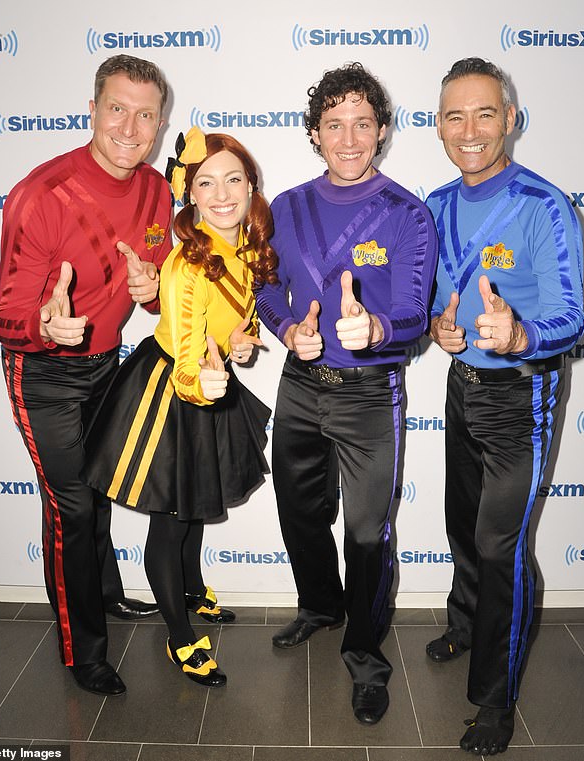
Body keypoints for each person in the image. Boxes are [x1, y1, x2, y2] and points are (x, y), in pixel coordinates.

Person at [255, 62, 438, 724]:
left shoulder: (407, 215)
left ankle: (365, 656)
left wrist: (375, 327)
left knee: (365, 532)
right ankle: (320, 605)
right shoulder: (286, 207)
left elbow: (416, 315)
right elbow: (265, 288)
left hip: (369, 393)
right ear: (314, 134)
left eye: (363, 123)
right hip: (301, 386)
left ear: (383, 131)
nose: (350, 138)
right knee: (300, 511)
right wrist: (285, 329)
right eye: (334, 124)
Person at [0, 54, 173, 696]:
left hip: (105, 366)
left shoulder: (157, 190)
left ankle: (107, 596)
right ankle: (82, 648)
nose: (130, 126)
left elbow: (151, 295)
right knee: (71, 507)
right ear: (92, 109)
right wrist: (45, 325)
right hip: (40, 371)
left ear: (159, 122)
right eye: (117, 109)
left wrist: (152, 290)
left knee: (96, 496)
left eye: (145, 114)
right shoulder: (38, 195)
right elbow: (5, 318)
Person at [426, 57, 584, 755]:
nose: (470, 129)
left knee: (502, 547)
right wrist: (442, 327)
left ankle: (495, 699)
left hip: (526, 394)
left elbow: (574, 316)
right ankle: (467, 620)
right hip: (462, 387)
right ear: (438, 126)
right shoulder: (433, 205)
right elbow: (436, 302)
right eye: (455, 115)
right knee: (464, 521)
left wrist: (520, 332)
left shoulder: (545, 204)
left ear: (511, 120)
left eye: (485, 113)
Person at [83, 128, 277, 688]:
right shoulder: (188, 265)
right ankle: (179, 636)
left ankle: (192, 591)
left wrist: (243, 343)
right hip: (171, 388)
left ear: (250, 185)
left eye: (232, 179)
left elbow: (241, 316)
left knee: (192, 505)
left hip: (211, 381)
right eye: (205, 183)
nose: (221, 195)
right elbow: (190, 348)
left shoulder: (245, 246)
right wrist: (204, 386)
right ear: (189, 194)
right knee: (171, 518)